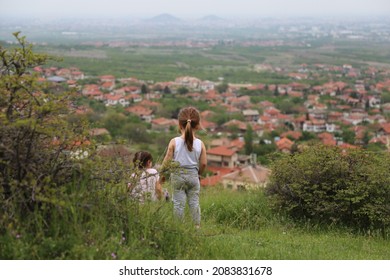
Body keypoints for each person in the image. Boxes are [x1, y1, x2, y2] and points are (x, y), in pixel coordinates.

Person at [161, 106, 207, 228]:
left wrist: (161, 173)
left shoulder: (174, 141)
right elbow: (203, 163)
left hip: (177, 176)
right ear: (197, 125)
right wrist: (199, 174)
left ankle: (178, 229)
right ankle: (197, 228)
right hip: (193, 176)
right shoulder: (200, 144)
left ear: (179, 124)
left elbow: (166, 161)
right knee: (194, 203)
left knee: (178, 204)